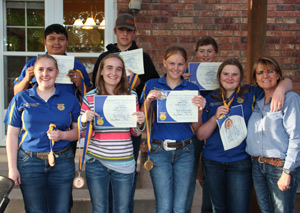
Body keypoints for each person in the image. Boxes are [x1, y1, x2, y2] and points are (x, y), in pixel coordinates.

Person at [196, 58, 292, 213]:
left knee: (239, 208)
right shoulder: (211, 98)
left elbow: (286, 81)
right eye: (226, 74)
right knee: (218, 208)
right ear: (219, 76)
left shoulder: (251, 93)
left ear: (240, 77)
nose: (229, 78)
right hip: (213, 161)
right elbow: (200, 135)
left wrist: (281, 89)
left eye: (234, 74)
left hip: (240, 162)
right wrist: (215, 118)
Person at [92, 13, 159, 212]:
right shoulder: (104, 57)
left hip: (129, 122)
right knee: (104, 176)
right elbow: (95, 83)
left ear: (134, 33)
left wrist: (141, 84)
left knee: (126, 171)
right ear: (115, 32)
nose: (125, 34)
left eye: (129, 31)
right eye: (121, 30)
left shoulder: (143, 57)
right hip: (104, 123)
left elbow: (155, 83)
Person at [4, 54, 80, 212]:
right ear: (34, 73)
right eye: (41, 70)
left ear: (57, 72)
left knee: (61, 210)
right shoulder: (20, 98)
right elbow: (11, 135)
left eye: (50, 69)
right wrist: (12, 168)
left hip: (62, 161)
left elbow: (79, 132)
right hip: (29, 162)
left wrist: (62, 135)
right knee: (35, 210)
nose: (45, 74)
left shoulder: (70, 99)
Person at [141, 46, 206, 212]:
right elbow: (141, 121)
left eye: (180, 64)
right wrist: (148, 101)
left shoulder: (191, 89)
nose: (175, 68)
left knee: (180, 208)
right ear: (164, 63)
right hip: (159, 151)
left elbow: (196, 128)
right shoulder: (152, 85)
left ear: (185, 65)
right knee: (163, 207)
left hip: (185, 151)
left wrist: (199, 111)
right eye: (171, 63)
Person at [80, 54, 145, 213]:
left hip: (124, 161)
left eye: (118, 69)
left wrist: (140, 123)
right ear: (101, 71)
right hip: (96, 162)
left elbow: (135, 132)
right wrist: (83, 121)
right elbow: (83, 134)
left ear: (123, 74)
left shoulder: (131, 96)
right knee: (100, 209)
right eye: (109, 68)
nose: (113, 73)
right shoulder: (90, 97)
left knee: (122, 209)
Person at [246, 56, 300, 213]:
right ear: (255, 78)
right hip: (258, 166)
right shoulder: (257, 102)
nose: (265, 75)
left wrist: (287, 171)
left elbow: (296, 137)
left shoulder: (290, 99)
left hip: (279, 167)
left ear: (278, 75)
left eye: (270, 71)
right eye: (260, 72)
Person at [14, 23, 92, 99]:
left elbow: (92, 96)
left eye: (61, 39)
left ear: (67, 42)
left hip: (69, 110)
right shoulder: (32, 64)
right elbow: (16, 94)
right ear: (45, 41)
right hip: (38, 110)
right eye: (52, 39)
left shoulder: (77, 66)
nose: (56, 43)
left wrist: (80, 84)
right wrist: (26, 79)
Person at [185, 36, 218, 213]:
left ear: (216, 54)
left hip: (215, 130)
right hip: (192, 130)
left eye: (209, 51)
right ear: (196, 53)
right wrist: (184, 82)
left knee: (210, 176)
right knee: (189, 174)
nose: (206, 55)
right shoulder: (188, 76)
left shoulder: (223, 74)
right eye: (202, 51)